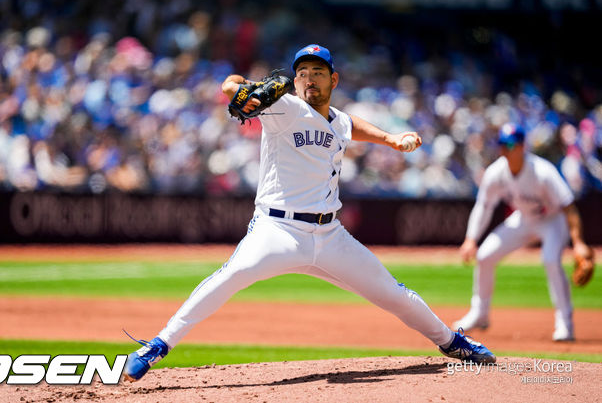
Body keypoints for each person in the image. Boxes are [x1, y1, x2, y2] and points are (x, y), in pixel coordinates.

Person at [123, 44, 496, 382]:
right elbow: (229, 86)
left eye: (317, 72)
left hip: (330, 236)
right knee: (230, 276)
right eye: (301, 73)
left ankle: (452, 342)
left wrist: (391, 139)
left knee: (393, 294)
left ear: (333, 79)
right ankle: (157, 345)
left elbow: (350, 126)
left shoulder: (338, 120)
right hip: (277, 230)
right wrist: (239, 87)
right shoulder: (284, 106)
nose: (307, 79)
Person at [453, 122, 594, 341]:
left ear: (522, 146)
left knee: (550, 260)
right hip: (524, 218)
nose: (506, 150)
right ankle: (480, 313)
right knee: (484, 255)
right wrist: (471, 239)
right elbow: (483, 206)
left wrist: (578, 242)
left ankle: (565, 324)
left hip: (552, 220)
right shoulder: (496, 172)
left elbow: (569, 207)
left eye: (511, 144)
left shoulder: (543, 171)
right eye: (502, 144)